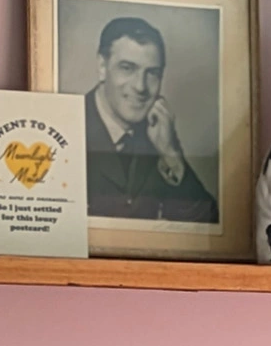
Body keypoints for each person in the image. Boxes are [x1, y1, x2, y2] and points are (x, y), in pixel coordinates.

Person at [84, 17, 219, 223]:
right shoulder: (68, 123)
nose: (140, 86)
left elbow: (205, 225)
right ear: (102, 66)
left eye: (152, 73)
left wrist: (170, 153)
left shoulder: (158, 132)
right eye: (127, 68)